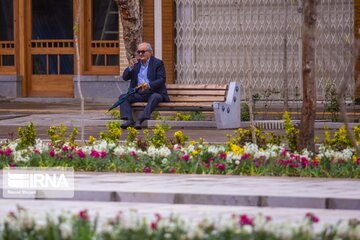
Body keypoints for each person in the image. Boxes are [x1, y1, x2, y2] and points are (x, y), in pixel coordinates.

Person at [119, 42, 169, 129]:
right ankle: (129, 120)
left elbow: (162, 79)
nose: (140, 54)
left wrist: (149, 85)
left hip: (153, 92)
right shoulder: (136, 64)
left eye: (143, 51)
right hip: (138, 93)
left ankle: (140, 120)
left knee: (155, 97)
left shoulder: (158, 63)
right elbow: (125, 77)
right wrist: (130, 67)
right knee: (123, 97)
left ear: (150, 52)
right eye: (139, 52)